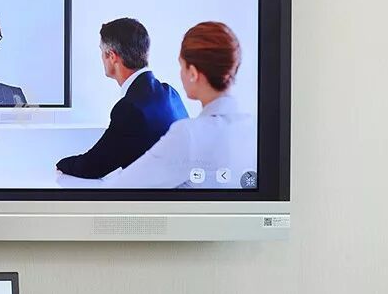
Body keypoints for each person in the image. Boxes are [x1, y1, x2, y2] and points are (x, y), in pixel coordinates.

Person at [100, 22, 257, 189]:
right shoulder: (254, 128)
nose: (180, 74)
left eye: (181, 66)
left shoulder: (188, 135)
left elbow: (123, 186)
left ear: (193, 73)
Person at [56, 17, 188, 179]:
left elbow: (91, 166)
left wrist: (60, 164)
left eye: (102, 52)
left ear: (112, 56)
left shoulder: (129, 109)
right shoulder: (170, 93)